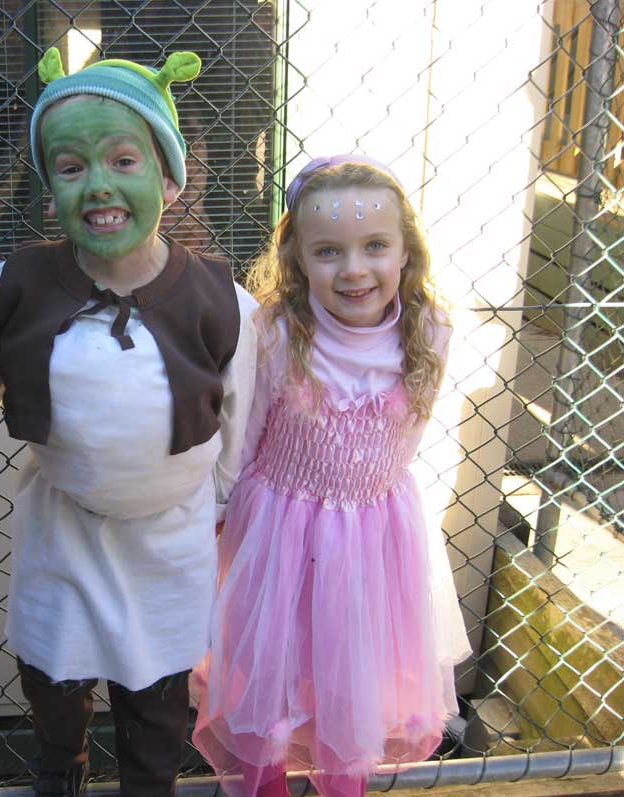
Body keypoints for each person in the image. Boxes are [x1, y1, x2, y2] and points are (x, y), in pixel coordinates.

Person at [0, 47, 258, 796]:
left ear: (168, 179)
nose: (100, 185)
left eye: (123, 160)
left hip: (170, 541)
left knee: (157, 705)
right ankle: (63, 773)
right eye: (72, 167)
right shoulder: (16, 288)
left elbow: (242, 420)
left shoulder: (222, 300)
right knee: (54, 681)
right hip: (64, 534)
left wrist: (220, 508)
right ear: (50, 193)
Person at [191, 155, 470, 797]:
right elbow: (243, 439)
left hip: (372, 540)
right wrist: (218, 528)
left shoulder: (430, 330)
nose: (354, 269)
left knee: (351, 683)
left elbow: (407, 438)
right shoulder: (275, 333)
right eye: (328, 251)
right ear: (296, 258)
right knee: (267, 680)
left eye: (375, 246)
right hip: (277, 534)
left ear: (406, 249)